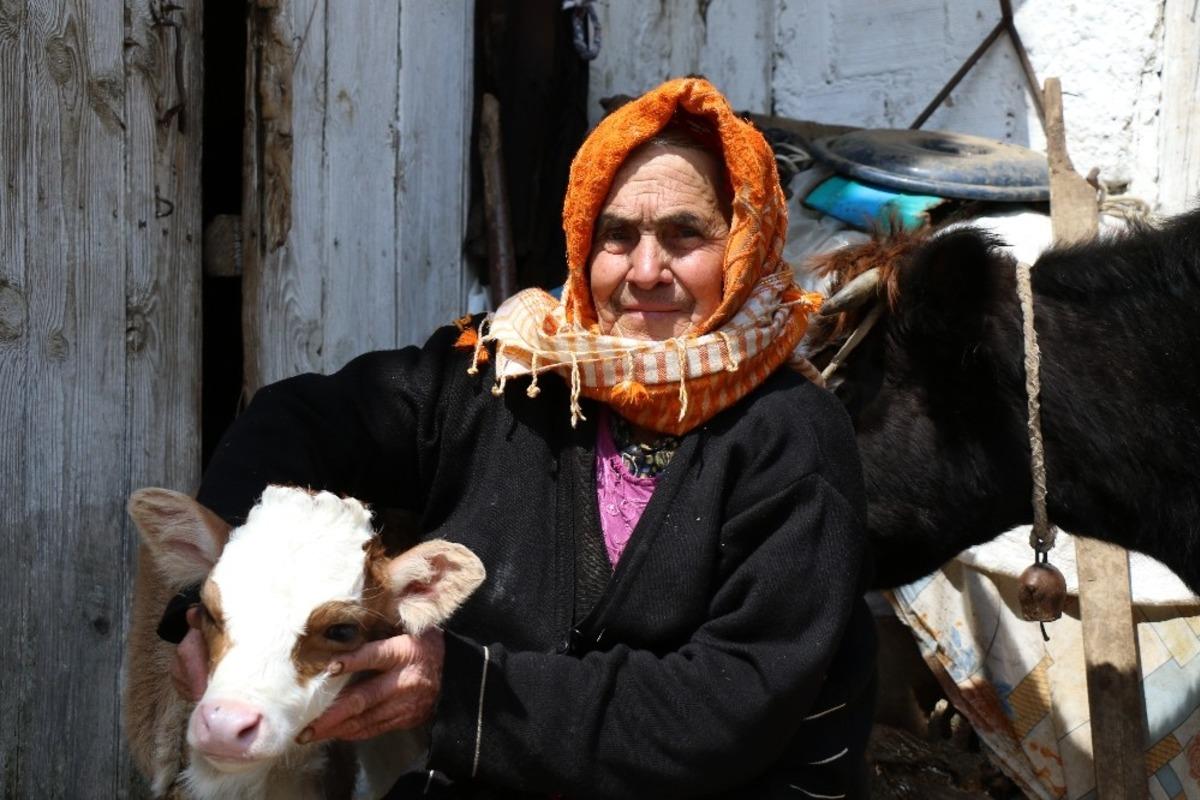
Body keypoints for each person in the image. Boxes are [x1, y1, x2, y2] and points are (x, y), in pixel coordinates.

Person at [168, 77, 876, 798]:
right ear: (581, 241)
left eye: (686, 235)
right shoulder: (506, 374)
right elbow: (298, 419)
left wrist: (465, 692)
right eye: (617, 235)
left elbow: (731, 701)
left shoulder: (793, 437)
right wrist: (208, 609)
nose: (644, 271)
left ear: (745, 245)